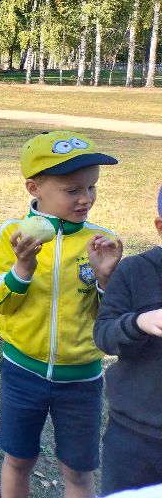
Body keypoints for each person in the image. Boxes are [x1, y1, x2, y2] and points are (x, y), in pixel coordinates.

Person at [0, 130, 122, 498]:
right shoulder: (13, 235)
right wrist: (22, 269)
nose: (86, 198)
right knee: (18, 460)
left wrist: (106, 280)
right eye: (72, 189)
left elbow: (111, 320)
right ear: (34, 188)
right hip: (22, 372)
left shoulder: (100, 242)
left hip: (81, 379)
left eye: (92, 187)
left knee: (78, 470)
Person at [94, 187, 162, 496]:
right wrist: (137, 324)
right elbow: (104, 334)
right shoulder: (136, 271)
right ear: (160, 227)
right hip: (133, 435)